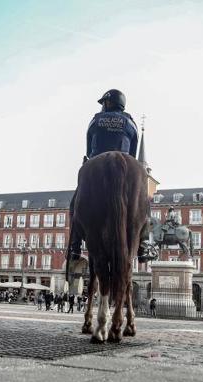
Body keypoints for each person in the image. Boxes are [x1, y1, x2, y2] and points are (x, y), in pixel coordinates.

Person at [66, 89, 154, 263]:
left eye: (104, 103)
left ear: (108, 103)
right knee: (144, 201)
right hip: (126, 163)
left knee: (75, 203)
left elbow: (88, 147)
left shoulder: (95, 120)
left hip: (96, 161)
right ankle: (143, 245)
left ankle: (75, 246)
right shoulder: (131, 123)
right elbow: (133, 153)